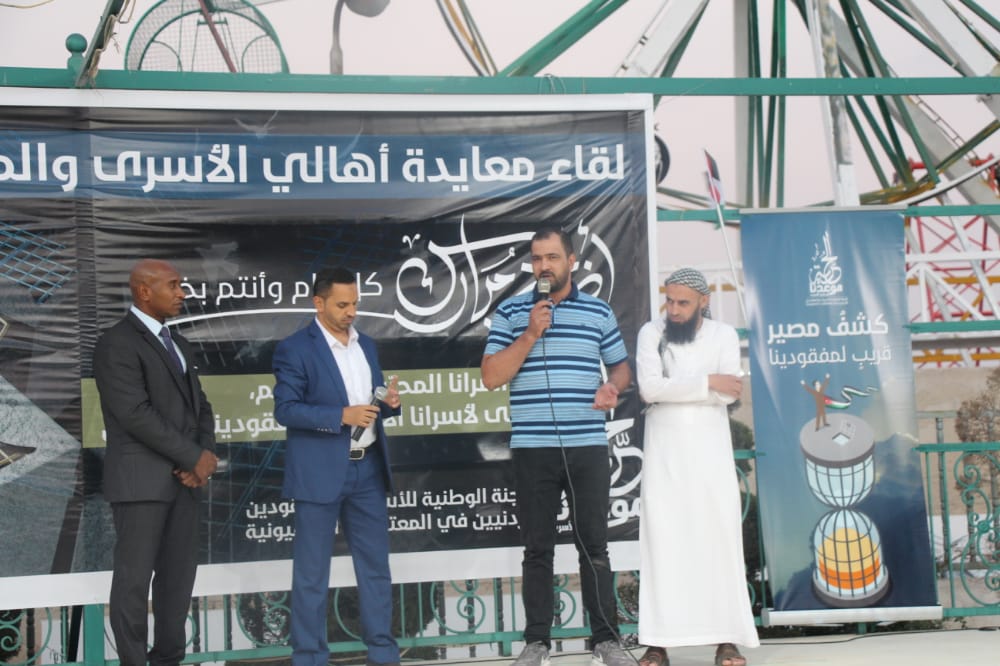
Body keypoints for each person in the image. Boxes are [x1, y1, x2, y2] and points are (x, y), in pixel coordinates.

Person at [481, 226, 633, 666]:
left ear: (571, 261)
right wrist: (530, 334)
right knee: (537, 550)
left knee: (595, 546)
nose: (543, 266)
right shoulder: (511, 312)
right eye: (536, 258)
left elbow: (621, 369)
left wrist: (612, 387)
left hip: (586, 446)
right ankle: (537, 644)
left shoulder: (598, 311)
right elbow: (491, 376)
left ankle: (606, 641)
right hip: (533, 448)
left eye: (551, 257)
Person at [272, 267, 401, 666]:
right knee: (312, 574)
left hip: (368, 470)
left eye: (355, 303)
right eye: (342, 304)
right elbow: (286, 410)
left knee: (375, 569)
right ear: (319, 303)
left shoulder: (367, 345)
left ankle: (384, 655)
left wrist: (389, 405)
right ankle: (310, 657)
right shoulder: (295, 349)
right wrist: (341, 415)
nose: (351, 312)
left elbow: (371, 404)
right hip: (319, 472)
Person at [93, 258, 219, 666]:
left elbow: (201, 407)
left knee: (177, 583)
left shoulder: (179, 343)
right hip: (141, 485)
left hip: (184, 483)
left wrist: (202, 455)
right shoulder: (116, 343)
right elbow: (135, 413)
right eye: (174, 285)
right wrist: (192, 456)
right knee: (133, 584)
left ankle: (168, 659)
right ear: (144, 291)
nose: (182, 293)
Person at [634, 268, 759, 666]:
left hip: (710, 457)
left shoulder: (724, 335)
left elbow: (730, 394)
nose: (673, 310)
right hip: (665, 458)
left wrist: (678, 388)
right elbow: (650, 388)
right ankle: (658, 643)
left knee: (718, 543)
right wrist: (708, 382)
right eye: (669, 301)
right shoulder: (650, 333)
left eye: (683, 303)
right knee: (663, 545)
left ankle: (726, 640)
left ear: (704, 301)